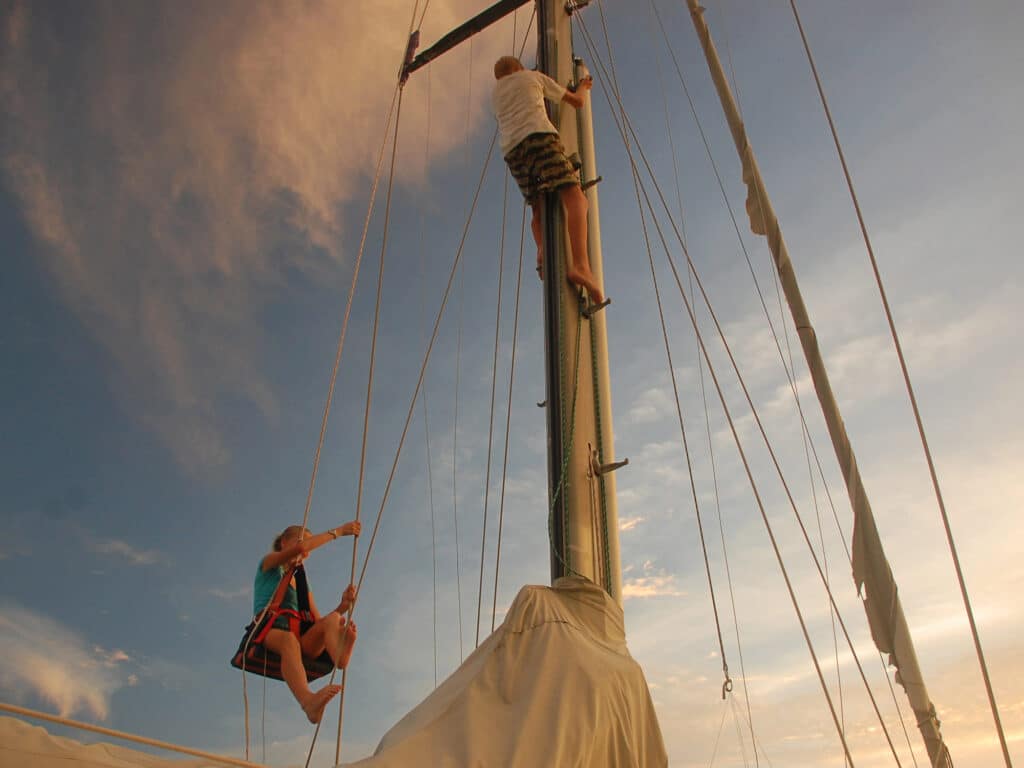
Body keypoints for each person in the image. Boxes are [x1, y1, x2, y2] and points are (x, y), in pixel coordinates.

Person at [492, 55, 604, 303]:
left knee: (537, 206)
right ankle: (581, 266)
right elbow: (576, 102)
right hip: (538, 137)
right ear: (519, 68)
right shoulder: (533, 77)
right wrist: (583, 87)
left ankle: (542, 248)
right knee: (576, 198)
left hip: (512, 151)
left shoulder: (496, 95)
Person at [254, 521, 361, 724]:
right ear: (284, 542)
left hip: (300, 638)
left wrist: (342, 606)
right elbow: (302, 547)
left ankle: (340, 656)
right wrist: (339, 531)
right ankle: (308, 702)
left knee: (332, 619)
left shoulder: (302, 580)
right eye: (303, 542)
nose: (306, 551)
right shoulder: (269, 564)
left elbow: (317, 621)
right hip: (271, 629)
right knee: (288, 641)